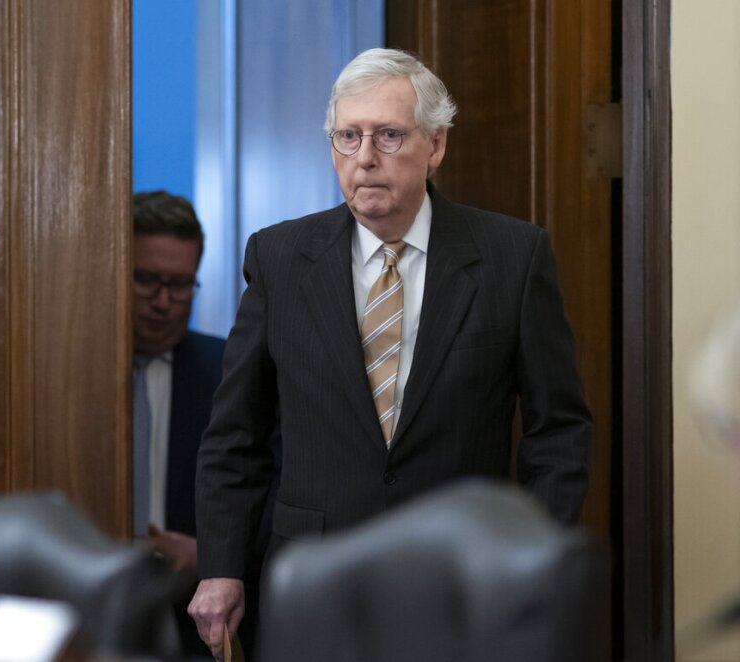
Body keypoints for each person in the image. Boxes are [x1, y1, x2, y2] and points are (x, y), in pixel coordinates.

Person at [189, 48, 592, 658]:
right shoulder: (278, 257)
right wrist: (222, 566)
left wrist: (530, 559)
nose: (365, 159)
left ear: (436, 145)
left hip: (465, 583)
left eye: (388, 136)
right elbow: (235, 434)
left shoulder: (513, 256)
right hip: (312, 580)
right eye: (346, 137)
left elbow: (558, 432)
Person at [132, 190, 225, 658]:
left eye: (181, 284)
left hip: (194, 621)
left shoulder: (228, 372)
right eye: (146, 281)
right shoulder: (70, 375)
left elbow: (276, 496)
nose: (164, 302)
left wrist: (207, 556)